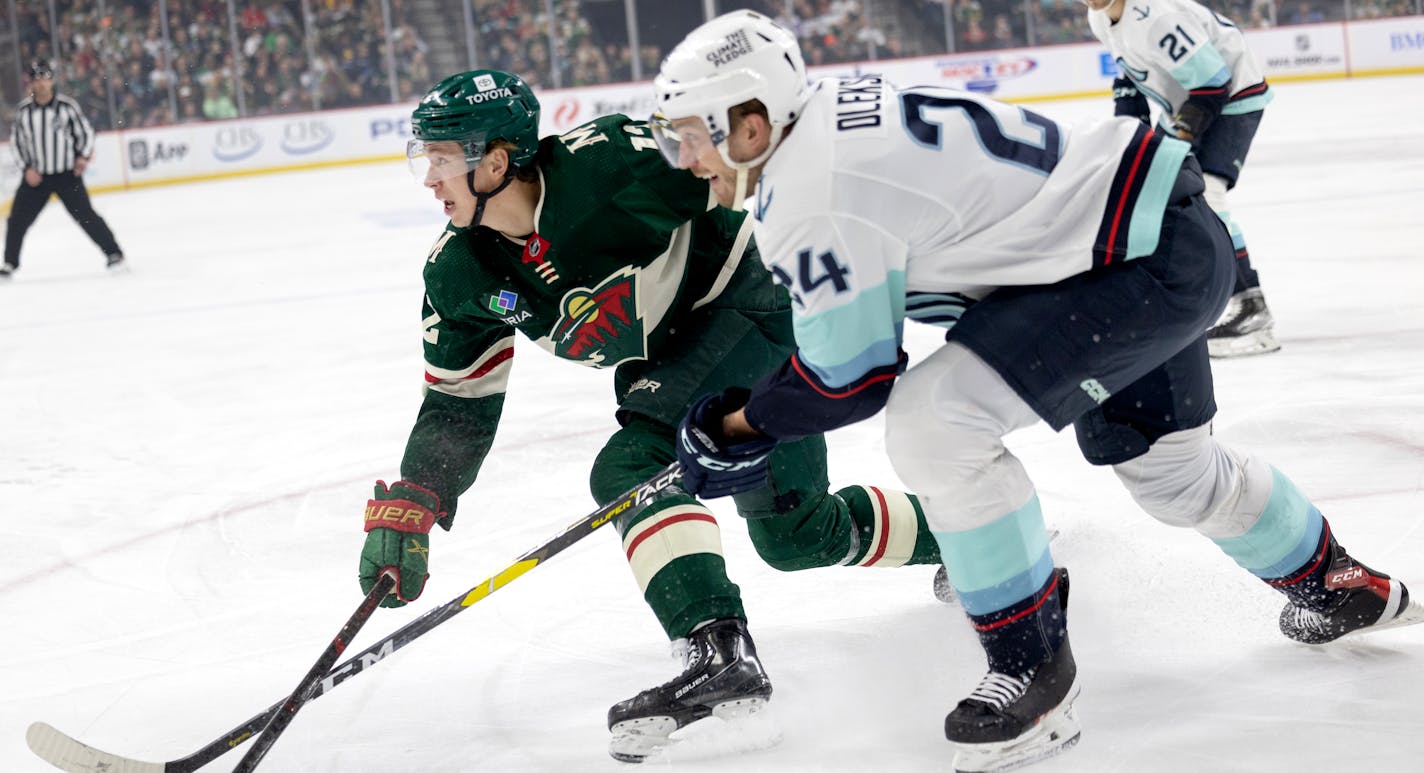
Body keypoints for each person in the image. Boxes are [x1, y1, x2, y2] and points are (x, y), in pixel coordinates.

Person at [651, 10, 1418, 773]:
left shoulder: (808, 191)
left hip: (1125, 266)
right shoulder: (831, 118)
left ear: (751, 125)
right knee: (1174, 476)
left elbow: (850, 380)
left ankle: (1033, 666)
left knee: (934, 423)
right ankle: (1337, 581)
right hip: (1153, 237)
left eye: (690, 134)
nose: (683, 159)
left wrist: (738, 423)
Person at [357, 69, 942, 762]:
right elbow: (460, 399)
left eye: (443, 159)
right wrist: (421, 494)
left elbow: (745, 168)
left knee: (635, 464)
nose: (430, 178)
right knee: (796, 534)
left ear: (495, 161)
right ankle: (976, 537)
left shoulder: (609, 164)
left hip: (754, 304)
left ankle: (719, 650)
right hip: (666, 362)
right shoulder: (463, 274)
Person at [1087, 0, 1278, 357]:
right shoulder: (1099, 17)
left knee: (1207, 195)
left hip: (1234, 97)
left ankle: (1251, 306)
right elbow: (1130, 76)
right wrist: (1128, 136)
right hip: (1190, 101)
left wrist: (1181, 135)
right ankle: (1173, 295)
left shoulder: (1158, 15)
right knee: (1153, 192)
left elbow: (1214, 83)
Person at [3, 60, 124, 280]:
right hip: (36, 178)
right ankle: (9, 263)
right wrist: (26, 169)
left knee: (86, 216)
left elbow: (85, 133)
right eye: (36, 79)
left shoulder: (67, 107)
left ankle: (113, 253)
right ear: (31, 84)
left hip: (67, 175)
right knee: (17, 220)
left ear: (51, 80)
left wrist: (83, 157)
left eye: (44, 78)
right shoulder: (24, 112)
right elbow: (17, 143)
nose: (41, 84)